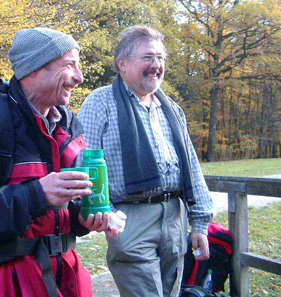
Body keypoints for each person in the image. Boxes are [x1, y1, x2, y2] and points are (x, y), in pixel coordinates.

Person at [0, 27, 117, 297]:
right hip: (4, 285)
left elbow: (62, 208)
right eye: (69, 65)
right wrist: (37, 194)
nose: (79, 77)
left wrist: (83, 218)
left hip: (65, 279)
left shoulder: (68, 124)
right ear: (33, 69)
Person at [77, 25, 214, 297]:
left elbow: (191, 167)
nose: (156, 65)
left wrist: (200, 223)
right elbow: (83, 163)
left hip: (175, 217)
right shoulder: (101, 102)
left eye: (161, 58)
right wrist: (103, 210)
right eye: (148, 57)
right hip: (130, 218)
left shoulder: (171, 108)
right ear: (123, 64)